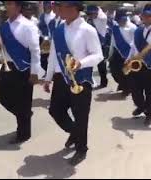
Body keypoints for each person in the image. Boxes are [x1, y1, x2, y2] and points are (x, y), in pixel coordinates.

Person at [43, 1, 103, 166]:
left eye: (61, 7)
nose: (58, 9)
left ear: (74, 9)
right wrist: (48, 78)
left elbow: (98, 55)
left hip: (81, 79)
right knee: (55, 110)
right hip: (61, 77)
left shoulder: (87, 30)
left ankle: (81, 149)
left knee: (81, 116)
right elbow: (53, 55)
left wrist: (81, 63)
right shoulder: (59, 29)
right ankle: (75, 132)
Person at [0, 1, 44, 144]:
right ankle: (25, 115)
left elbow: (35, 51)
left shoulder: (28, 26)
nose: (6, 7)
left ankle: (23, 134)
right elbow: (3, 49)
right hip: (8, 66)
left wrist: (35, 72)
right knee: (2, 95)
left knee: (23, 101)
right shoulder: (4, 26)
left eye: (9, 4)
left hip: (24, 68)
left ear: (18, 7)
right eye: (5, 5)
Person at [108, 8, 137, 96]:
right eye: (119, 20)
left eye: (123, 20)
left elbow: (135, 43)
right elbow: (112, 42)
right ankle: (123, 84)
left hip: (129, 53)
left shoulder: (132, 28)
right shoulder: (115, 28)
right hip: (117, 53)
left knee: (127, 73)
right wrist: (110, 55)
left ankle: (126, 88)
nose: (121, 22)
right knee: (114, 72)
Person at [86, 5, 108, 88]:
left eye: (93, 13)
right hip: (91, 44)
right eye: (89, 14)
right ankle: (89, 81)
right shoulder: (89, 20)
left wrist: (97, 7)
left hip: (100, 45)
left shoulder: (102, 19)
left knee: (101, 65)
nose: (91, 16)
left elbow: (102, 15)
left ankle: (104, 82)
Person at [38, 1, 55, 71]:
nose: (47, 6)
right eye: (46, 4)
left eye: (49, 4)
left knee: (53, 57)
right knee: (43, 57)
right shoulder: (41, 16)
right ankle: (46, 71)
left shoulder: (54, 16)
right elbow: (39, 28)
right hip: (44, 39)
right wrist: (43, 36)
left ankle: (53, 73)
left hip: (53, 40)